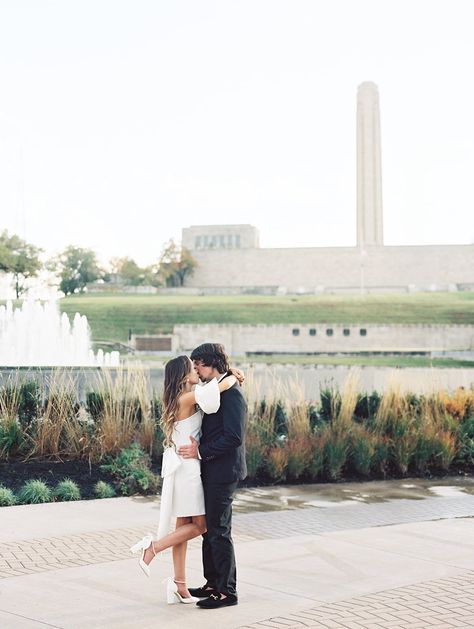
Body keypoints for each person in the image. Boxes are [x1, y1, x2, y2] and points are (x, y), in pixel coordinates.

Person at [130, 355, 243, 605]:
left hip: (181, 466)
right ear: (183, 376)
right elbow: (218, 387)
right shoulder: (187, 398)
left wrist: (228, 374)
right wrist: (232, 376)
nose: (196, 370)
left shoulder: (181, 397)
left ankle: (180, 585)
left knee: (183, 527)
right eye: (192, 368)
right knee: (201, 526)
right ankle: (153, 548)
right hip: (189, 467)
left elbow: (208, 390)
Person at [178, 342, 247, 610]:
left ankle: (226, 591)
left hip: (223, 471)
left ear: (213, 364)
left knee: (219, 531)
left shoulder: (233, 395)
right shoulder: (216, 387)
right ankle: (212, 583)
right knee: (210, 531)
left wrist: (200, 452)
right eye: (194, 366)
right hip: (211, 469)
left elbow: (233, 437)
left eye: (200, 365)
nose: (197, 369)